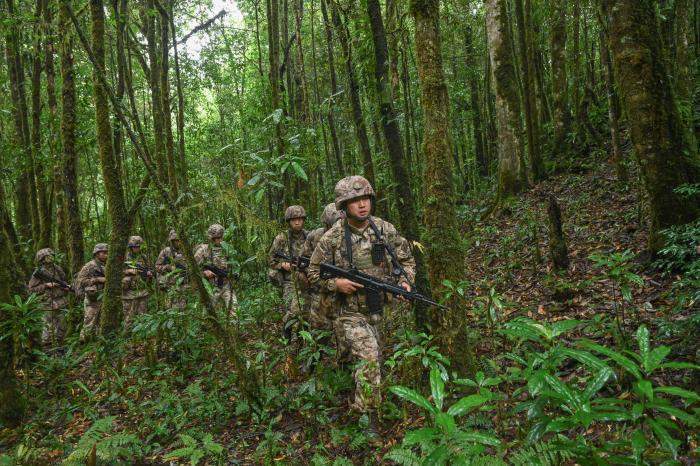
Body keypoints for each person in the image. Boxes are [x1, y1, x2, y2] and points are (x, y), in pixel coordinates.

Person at [307, 176, 415, 438]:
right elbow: (312, 272)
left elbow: (406, 258)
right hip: (349, 313)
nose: (362, 205)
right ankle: (369, 419)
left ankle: (351, 379)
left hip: (380, 309)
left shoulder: (385, 230)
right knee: (369, 360)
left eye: (365, 198)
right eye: (355, 201)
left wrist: (405, 282)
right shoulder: (331, 238)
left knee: (377, 357)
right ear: (344, 206)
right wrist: (337, 283)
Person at [298, 203, 343, 332]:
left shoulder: (347, 236)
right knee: (319, 326)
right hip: (319, 286)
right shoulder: (315, 236)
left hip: (341, 287)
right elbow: (303, 260)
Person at [268, 205, 308, 341]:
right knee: (290, 312)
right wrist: (282, 265)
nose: (297, 222)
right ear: (289, 221)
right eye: (293, 220)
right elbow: (271, 260)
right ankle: (287, 338)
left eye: (300, 219)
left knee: (306, 313)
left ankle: (302, 339)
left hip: (307, 280)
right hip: (289, 282)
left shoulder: (309, 237)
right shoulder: (281, 238)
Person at [27, 248, 70, 346]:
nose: (51, 257)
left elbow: (62, 281)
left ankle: (60, 347)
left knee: (62, 326)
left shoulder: (57, 268)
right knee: (47, 328)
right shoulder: (38, 273)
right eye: (47, 256)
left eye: (51, 255)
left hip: (60, 302)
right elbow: (31, 289)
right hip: (47, 304)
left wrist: (66, 287)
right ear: (42, 259)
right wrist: (46, 285)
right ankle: (47, 349)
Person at [194, 224, 238, 317]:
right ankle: (207, 330)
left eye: (220, 237)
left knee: (233, 308)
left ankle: (234, 330)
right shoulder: (204, 250)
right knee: (209, 314)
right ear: (211, 238)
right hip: (211, 286)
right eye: (216, 238)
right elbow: (193, 269)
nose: (219, 240)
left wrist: (234, 273)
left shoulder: (226, 248)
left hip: (226, 284)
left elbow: (233, 264)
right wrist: (204, 272)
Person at [76, 243, 108, 341]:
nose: (106, 255)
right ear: (97, 253)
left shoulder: (108, 265)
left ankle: (98, 343)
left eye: (107, 253)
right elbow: (81, 281)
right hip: (92, 300)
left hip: (104, 297)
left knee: (102, 323)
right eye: (104, 253)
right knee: (89, 322)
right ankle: (83, 344)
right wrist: (96, 279)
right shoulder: (90, 265)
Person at [122, 235, 152, 327]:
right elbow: (113, 274)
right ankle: (127, 338)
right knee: (129, 318)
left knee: (143, 316)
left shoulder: (144, 257)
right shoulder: (124, 258)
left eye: (139, 246)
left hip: (143, 291)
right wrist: (128, 271)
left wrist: (150, 273)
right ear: (131, 247)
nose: (137, 248)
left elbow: (151, 268)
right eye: (135, 246)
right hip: (129, 292)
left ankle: (142, 338)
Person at [155, 229, 189, 310]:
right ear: (172, 241)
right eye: (176, 240)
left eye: (179, 240)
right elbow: (157, 267)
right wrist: (169, 267)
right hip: (170, 286)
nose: (178, 242)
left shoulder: (184, 251)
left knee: (183, 309)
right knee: (170, 309)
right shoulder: (166, 251)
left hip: (183, 285)